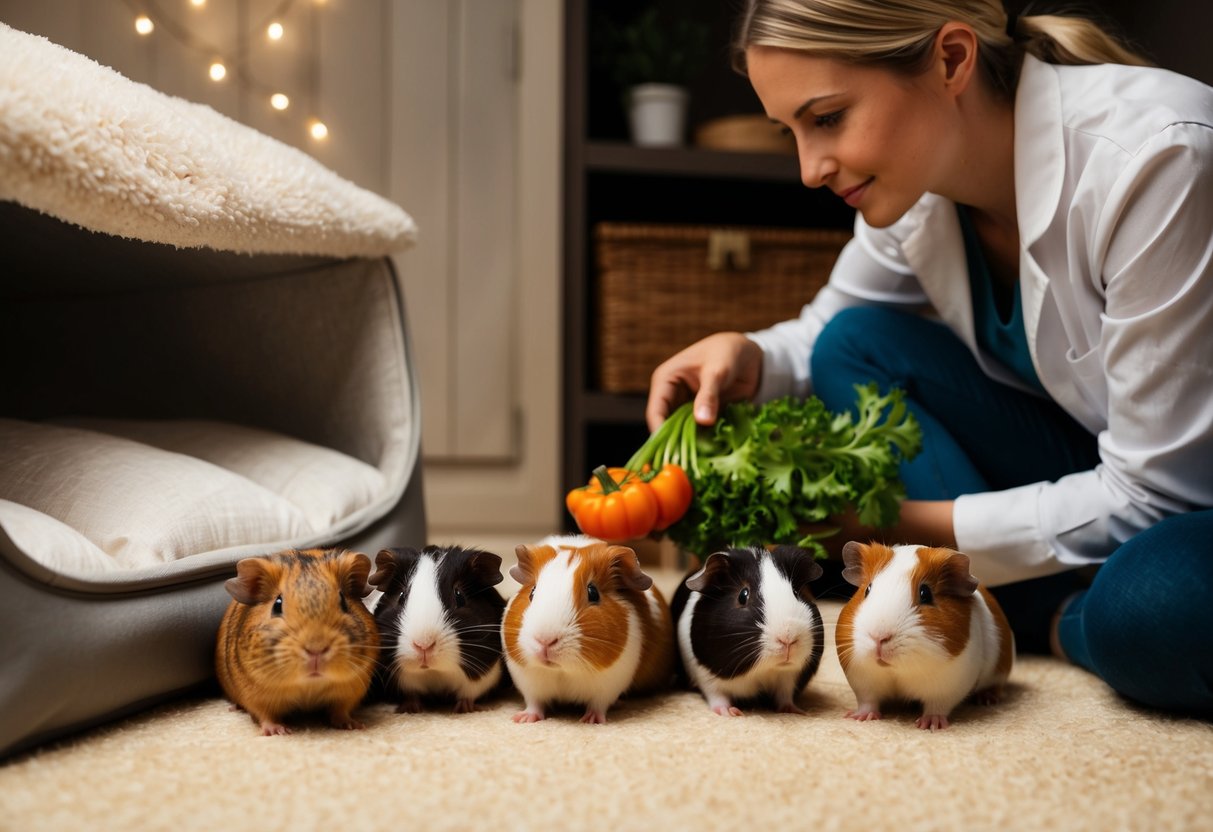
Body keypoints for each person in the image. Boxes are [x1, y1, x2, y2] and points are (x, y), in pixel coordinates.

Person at [645, 0, 1213, 716]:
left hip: (1185, 501)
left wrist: (888, 528)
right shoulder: (916, 188)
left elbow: (1159, 494)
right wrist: (748, 356)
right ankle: (1012, 602)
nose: (808, 169)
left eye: (825, 119)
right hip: (1103, 466)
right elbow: (829, 328)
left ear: (950, 59)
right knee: (851, 344)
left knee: (1155, 606)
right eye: (787, 131)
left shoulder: (1156, 159)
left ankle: (1054, 622)